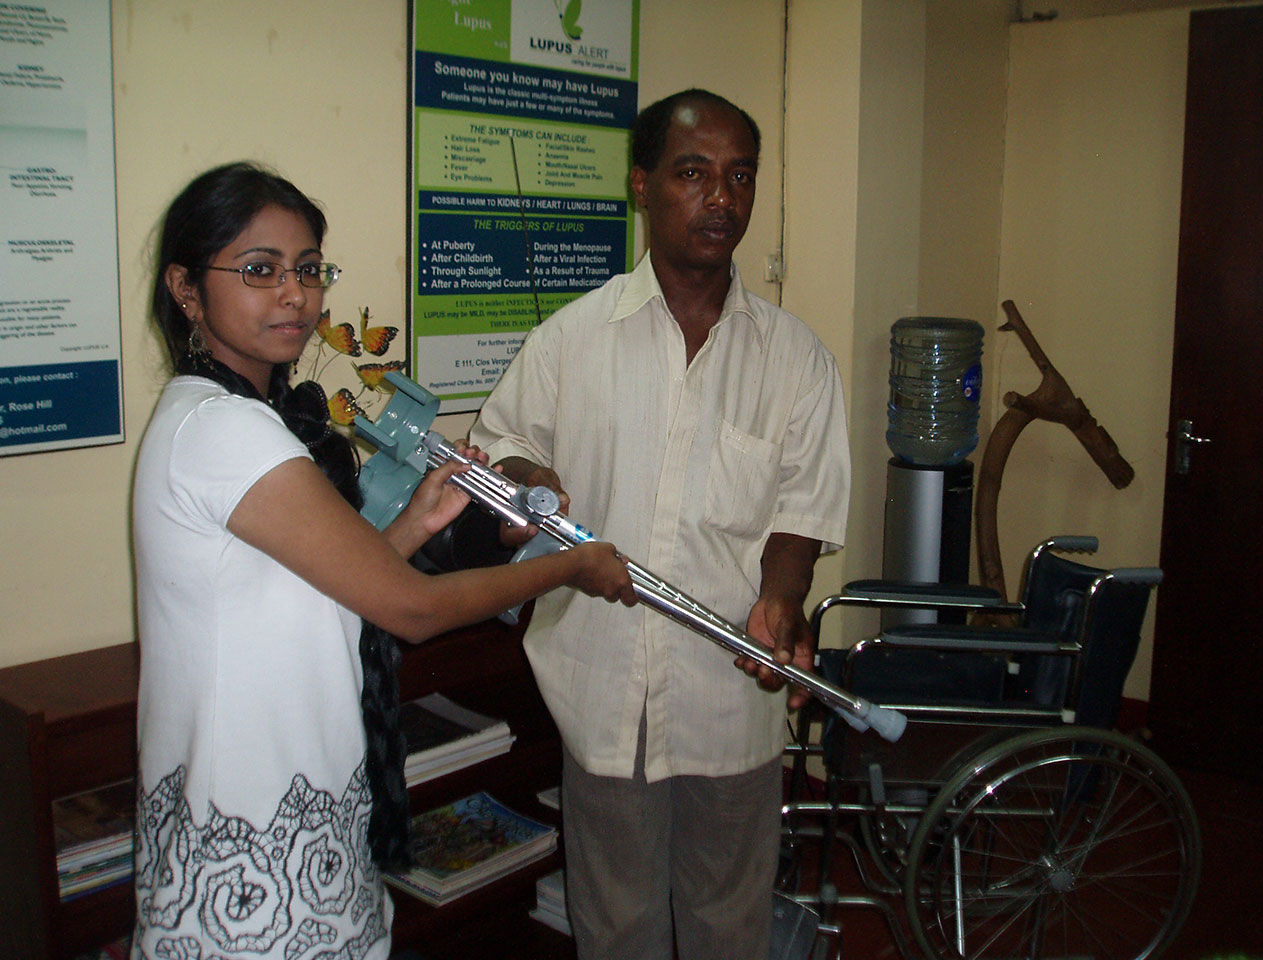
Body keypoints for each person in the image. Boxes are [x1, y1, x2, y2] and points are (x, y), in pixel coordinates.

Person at [130, 161, 636, 960]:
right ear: (187, 290)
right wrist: (571, 566)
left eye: (308, 270)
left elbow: (320, 588)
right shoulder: (227, 431)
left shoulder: (220, 416)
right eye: (259, 270)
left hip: (294, 820)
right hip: (253, 840)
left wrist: (416, 519)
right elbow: (410, 608)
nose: (294, 294)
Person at [470, 90, 852, 960]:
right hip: (602, 690)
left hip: (731, 695)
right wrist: (530, 480)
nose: (721, 197)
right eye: (693, 173)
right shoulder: (571, 340)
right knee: (617, 931)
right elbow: (503, 446)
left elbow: (800, 511)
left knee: (728, 927)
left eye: (739, 176)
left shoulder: (797, 359)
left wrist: (782, 598)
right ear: (641, 185)